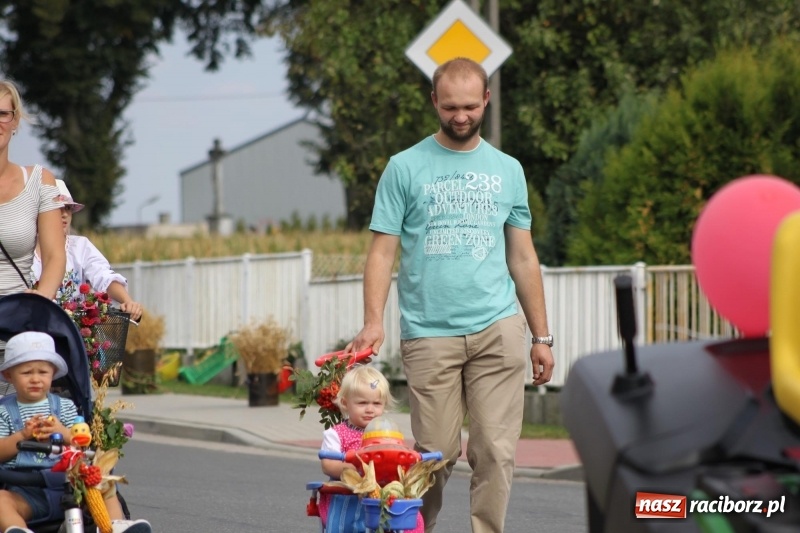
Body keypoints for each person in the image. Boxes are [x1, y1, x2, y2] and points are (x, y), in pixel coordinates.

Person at [349, 57, 555, 533]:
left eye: (469, 106)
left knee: (496, 451)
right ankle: (415, 528)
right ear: (433, 102)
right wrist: (373, 320)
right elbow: (381, 252)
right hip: (429, 333)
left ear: (486, 100)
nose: (460, 116)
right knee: (434, 455)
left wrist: (541, 336)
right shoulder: (404, 167)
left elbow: (523, 257)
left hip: (497, 327)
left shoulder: (508, 170)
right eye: (449, 107)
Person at [0, 331, 151, 533]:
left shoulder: (65, 407)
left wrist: (63, 432)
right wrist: (22, 436)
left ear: (53, 373)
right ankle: (17, 529)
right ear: (9, 375)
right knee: (1, 501)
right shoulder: (4, 411)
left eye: (43, 372)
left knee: (103, 481)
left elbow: (81, 442)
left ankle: (115, 525)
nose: (35, 379)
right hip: (26, 490)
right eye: (26, 373)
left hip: (73, 485)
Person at [317, 365, 424, 533]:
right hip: (347, 497)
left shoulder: (387, 433)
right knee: (345, 524)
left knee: (409, 517)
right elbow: (328, 464)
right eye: (362, 403)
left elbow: (399, 458)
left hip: (381, 496)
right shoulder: (337, 434)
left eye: (376, 403)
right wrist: (360, 470)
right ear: (345, 403)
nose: (370, 409)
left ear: (384, 404)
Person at [31, 179, 143, 321]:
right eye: (57, 208)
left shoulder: (80, 246)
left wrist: (128, 301)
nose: (64, 214)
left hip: (73, 329)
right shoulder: (22, 250)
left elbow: (103, 276)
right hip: (31, 325)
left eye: (68, 208)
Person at [0, 80, 65, 300]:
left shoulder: (39, 181)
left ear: (15, 121)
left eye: (3, 114)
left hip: (17, 314)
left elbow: (55, 255)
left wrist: (41, 297)